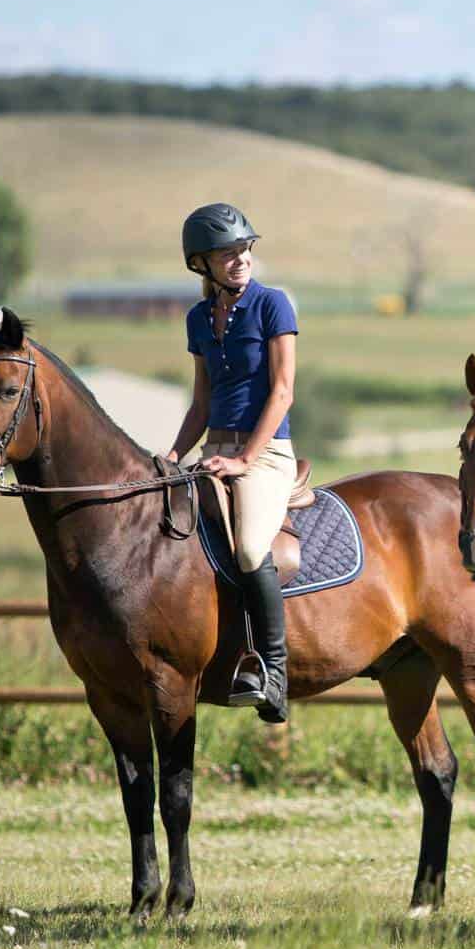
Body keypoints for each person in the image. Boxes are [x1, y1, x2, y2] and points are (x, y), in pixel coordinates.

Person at [166, 202, 297, 724]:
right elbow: (201, 403)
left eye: (245, 248)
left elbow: (283, 392)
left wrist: (245, 460)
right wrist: (175, 455)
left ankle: (275, 673)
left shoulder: (273, 304)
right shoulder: (198, 318)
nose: (240, 259)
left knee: (246, 548)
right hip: (213, 451)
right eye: (228, 253)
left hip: (264, 455)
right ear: (204, 264)